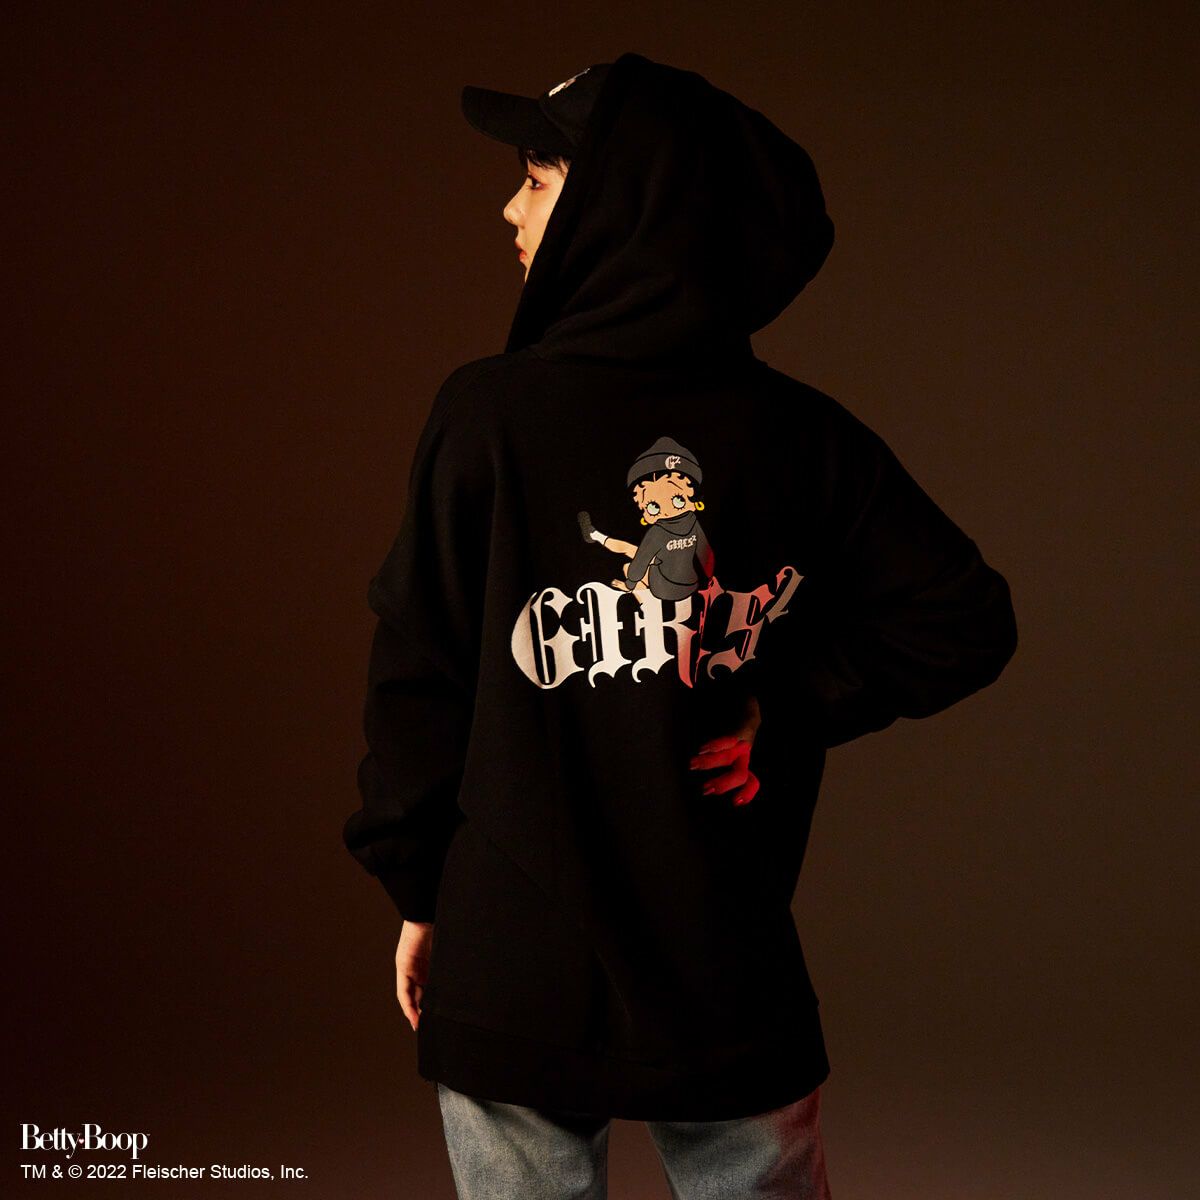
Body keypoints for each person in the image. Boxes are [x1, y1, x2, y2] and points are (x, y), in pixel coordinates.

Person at [342, 51, 1018, 1199]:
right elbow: (963, 617)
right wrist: (789, 702)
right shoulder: (799, 433)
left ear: (620, 210)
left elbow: (419, 675)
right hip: (719, 951)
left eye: (538, 179)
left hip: (518, 948)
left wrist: (417, 888)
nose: (508, 209)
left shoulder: (488, 414)